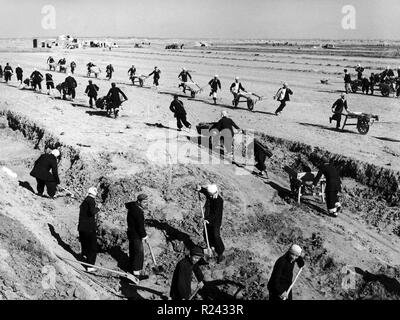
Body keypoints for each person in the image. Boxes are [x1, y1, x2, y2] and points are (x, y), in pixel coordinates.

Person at [196, 184, 225, 263]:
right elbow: (205, 191)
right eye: (210, 195)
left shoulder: (219, 201)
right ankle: (211, 247)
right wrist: (201, 189)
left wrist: (208, 219)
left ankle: (220, 252)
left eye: (212, 195)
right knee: (206, 234)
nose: (210, 197)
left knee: (216, 235)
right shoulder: (209, 194)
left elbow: (215, 213)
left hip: (215, 221)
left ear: (216, 192)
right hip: (208, 218)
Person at [125, 194, 150, 280]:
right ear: (138, 202)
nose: (145, 204)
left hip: (131, 232)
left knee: (133, 250)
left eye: (146, 202)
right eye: (144, 202)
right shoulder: (138, 212)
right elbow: (140, 227)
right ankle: (136, 273)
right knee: (138, 253)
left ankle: (131, 268)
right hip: (136, 234)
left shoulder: (132, 206)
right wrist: (145, 236)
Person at [78, 187, 102, 272]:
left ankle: (84, 258)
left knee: (85, 244)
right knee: (92, 247)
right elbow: (92, 212)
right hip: (89, 228)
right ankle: (90, 266)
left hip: (82, 227)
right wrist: (98, 208)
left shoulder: (85, 200)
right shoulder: (91, 200)